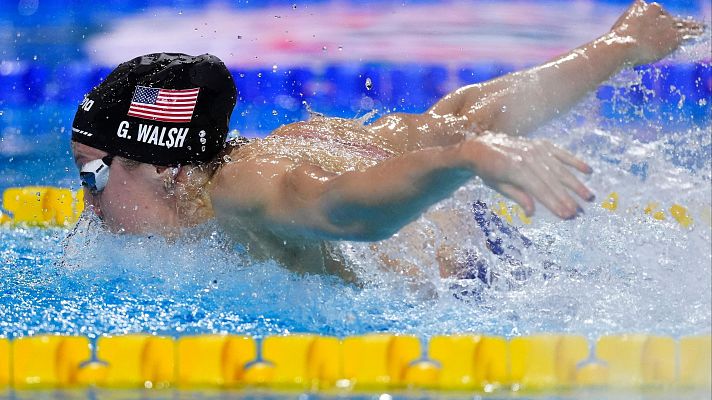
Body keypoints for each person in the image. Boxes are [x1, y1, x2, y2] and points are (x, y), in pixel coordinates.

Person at [71, 0, 703, 277]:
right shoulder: (290, 140)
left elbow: (345, 210)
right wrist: (612, 51)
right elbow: (455, 117)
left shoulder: (242, 189)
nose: (84, 205)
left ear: (168, 170)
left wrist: (467, 159)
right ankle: (629, 38)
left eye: (92, 177)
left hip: (473, 288)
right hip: (484, 245)